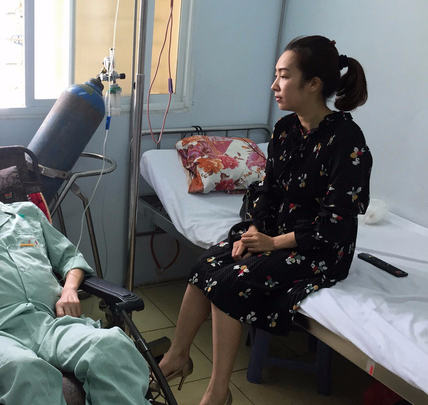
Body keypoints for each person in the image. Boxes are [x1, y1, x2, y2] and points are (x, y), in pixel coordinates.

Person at [157, 35, 373, 405]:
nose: (274, 85)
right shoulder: (286, 130)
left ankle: (218, 392)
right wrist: (255, 229)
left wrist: (272, 244)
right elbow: (267, 190)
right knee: (203, 268)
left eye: (284, 76)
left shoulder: (346, 140)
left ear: (313, 84)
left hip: (319, 249)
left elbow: (336, 223)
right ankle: (177, 357)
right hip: (273, 233)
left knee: (227, 284)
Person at [0, 148, 150, 405]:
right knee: (26, 370)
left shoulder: (27, 213)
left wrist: (69, 290)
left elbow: (70, 258)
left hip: (49, 323)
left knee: (111, 346)